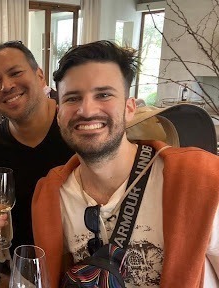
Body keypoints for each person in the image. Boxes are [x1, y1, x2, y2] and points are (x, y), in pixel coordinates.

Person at [32, 40, 219, 287]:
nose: (86, 110)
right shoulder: (52, 195)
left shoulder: (201, 180)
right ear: (59, 115)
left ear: (129, 108)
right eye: (72, 98)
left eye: (104, 95)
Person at [0, 40, 74, 282]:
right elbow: (5, 208)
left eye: (15, 73)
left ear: (40, 76)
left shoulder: (76, 129)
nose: (7, 86)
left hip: (81, 268)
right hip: (26, 268)